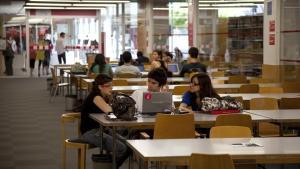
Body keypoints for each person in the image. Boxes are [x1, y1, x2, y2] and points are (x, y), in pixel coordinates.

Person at [80, 74, 130, 168]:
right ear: (99, 87)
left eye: (111, 85)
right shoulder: (96, 97)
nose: (111, 88)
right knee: (121, 148)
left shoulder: (102, 96)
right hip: (90, 132)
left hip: (99, 129)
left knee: (128, 144)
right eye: (108, 86)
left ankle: (110, 165)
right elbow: (109, 111)